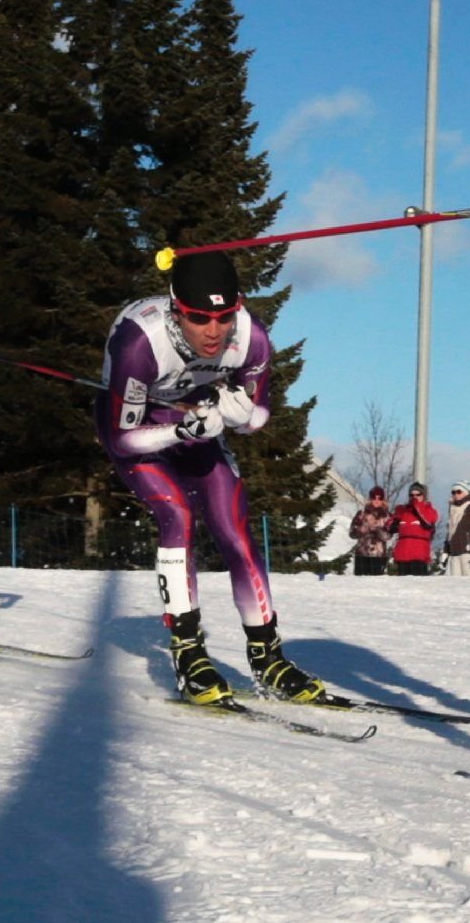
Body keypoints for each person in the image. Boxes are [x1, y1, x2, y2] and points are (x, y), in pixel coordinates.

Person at [95, 251, 326, 707]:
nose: (214, 331)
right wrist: (179, 430)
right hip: (140, 427)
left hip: (199, 417)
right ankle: (189, 653)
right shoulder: (140, 342)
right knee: (177, 515)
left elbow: (258, 415)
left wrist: (244, 418)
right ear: (176, 308)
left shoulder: (251, 337)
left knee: (234, 526)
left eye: (224, 316)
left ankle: (268, 655)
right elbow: (123, 440)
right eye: (199, 318)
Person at [387, 482, 437, 576]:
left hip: (419, 556)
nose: (414, 497)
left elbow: (427, 522)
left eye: (418, 494)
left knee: (418, 587)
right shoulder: (403, 511)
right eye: (411, 495)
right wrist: (393, 520)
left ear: (424, 496)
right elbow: (389, 527)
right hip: (402, 554)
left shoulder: (429, 510)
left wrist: (417, 506)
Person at [349, 486, 394, 575]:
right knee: (360, 584)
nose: (377, 500)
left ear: (383, 500)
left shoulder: (388, 516)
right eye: (374, 497)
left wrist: (376, 528)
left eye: (380, 498)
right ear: (370, 499)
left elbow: (388, 536)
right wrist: (362, 529)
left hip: (379, 556)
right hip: (362, 555)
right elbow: (352, 533)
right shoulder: (361, 514)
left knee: (376, 585)